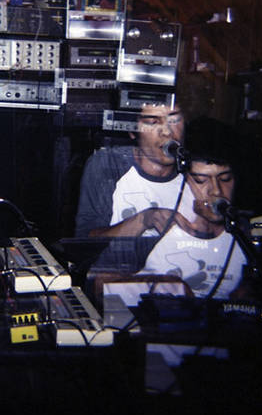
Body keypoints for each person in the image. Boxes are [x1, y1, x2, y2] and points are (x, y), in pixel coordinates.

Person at [109, 117, 249, 303]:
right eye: (200, 180)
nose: (216, 191)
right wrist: (162, 286)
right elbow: (102, 288)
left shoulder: (245, 236)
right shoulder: (161, 229)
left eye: (225, 179)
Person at [75, 99, 195, 239]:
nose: (167, 132)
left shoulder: (197, 173)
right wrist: (144, 220)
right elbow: (86, 241)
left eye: (174, 120)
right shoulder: (109, 164)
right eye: (152, 122)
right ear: (132, 131)